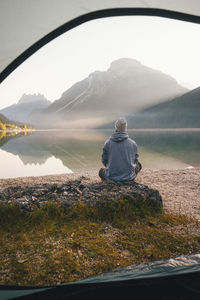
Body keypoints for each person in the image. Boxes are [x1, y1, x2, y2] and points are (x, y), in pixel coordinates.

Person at [99, 118, 142, 182]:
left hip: (111, 177)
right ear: (125, 128)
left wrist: (111, 166)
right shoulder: (133, 143)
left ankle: (105, 180)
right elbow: (135, 161)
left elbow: (104, 160)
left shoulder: (107, 143)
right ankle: (129, 176)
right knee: (139, 165)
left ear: (116, 127)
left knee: (101, 171)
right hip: (129, 178)